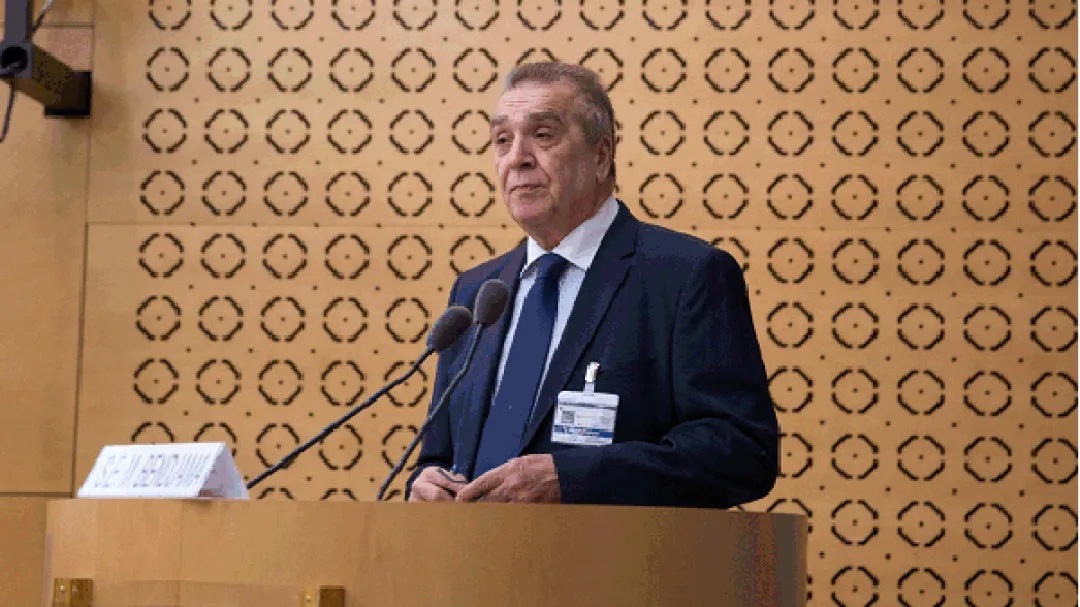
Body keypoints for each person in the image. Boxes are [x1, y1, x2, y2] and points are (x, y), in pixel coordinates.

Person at [406, 62, 778, 508]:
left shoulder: (686, 277)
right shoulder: (476, 295)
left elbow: (741, 450)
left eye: (543, 135)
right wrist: (425, 482)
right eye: (502, 140)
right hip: (472, 552)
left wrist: (573, 479)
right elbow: (441, 454)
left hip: (609, 552)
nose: (517, 157)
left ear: (601, 157)